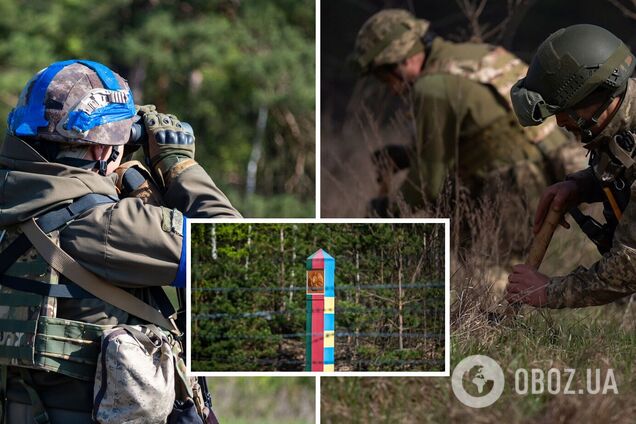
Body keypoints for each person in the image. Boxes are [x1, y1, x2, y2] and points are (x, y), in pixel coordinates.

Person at [0, 60, 238, 423]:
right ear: (101, 150)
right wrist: (178, 167)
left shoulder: (11, 209)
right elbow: (241, 254)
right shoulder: (109, 226)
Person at [351, 9, 578, 216]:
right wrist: (408, 155)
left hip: (515, 187)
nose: (391, 88)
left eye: (384, 77)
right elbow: (483, 132)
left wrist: (388, 210)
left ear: (404, 59)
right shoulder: (477, 54)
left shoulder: (431, 88)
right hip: (558, 170)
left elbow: (429, 182)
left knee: (492, 262)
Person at [506, 24, 636, 308]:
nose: (560, 123)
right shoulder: (623, 127)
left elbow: (631, 262)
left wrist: (549, 291)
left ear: (598, 95)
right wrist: (581, 185)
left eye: (564, 111)